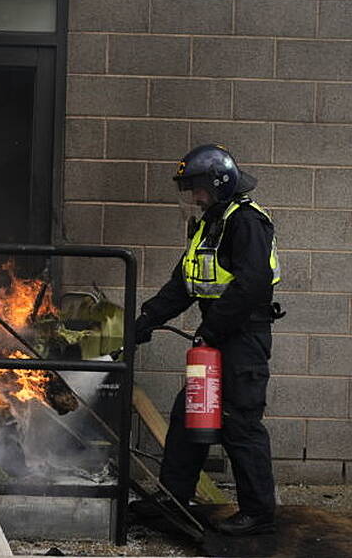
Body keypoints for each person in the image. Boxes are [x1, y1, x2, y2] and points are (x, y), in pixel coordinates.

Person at [133, 144, 281, 537]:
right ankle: (174, 497)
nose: (194, 197)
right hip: (215, 336)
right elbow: (183, 284)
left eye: (198, 188)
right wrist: (146, 320)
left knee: (239, 422)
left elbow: (252, 284)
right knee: (187, 417)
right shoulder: (208, 226)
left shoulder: (246, 222)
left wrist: (212, 329)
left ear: (220, 183)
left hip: (243, 338)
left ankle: (259, 513)